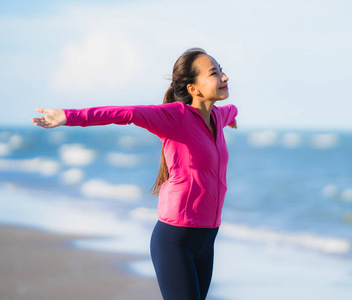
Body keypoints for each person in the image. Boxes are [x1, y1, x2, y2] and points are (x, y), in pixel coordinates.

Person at [31, 48, 238, 300]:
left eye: (222, 70)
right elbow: (125, 113)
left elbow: (232, 111)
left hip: (207, 239)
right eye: (214, 73)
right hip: (176, 240)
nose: (224, 77)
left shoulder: (217, 116)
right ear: (194, 88)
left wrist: (232, 118)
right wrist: (69, 116)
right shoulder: (175, 117)